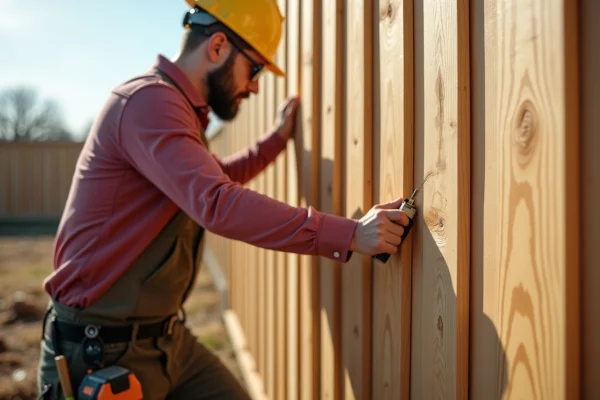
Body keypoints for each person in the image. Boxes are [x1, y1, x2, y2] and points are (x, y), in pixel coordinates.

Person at [36, 1, 410, 399]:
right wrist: (350, 234)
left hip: (162, 338)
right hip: (98, 351)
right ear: (217, 47)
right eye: (255, 69)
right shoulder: (148, 103)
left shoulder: (172, 108)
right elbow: (215, 202)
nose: (254, 86)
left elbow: (217, 178)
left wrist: (277, 140)